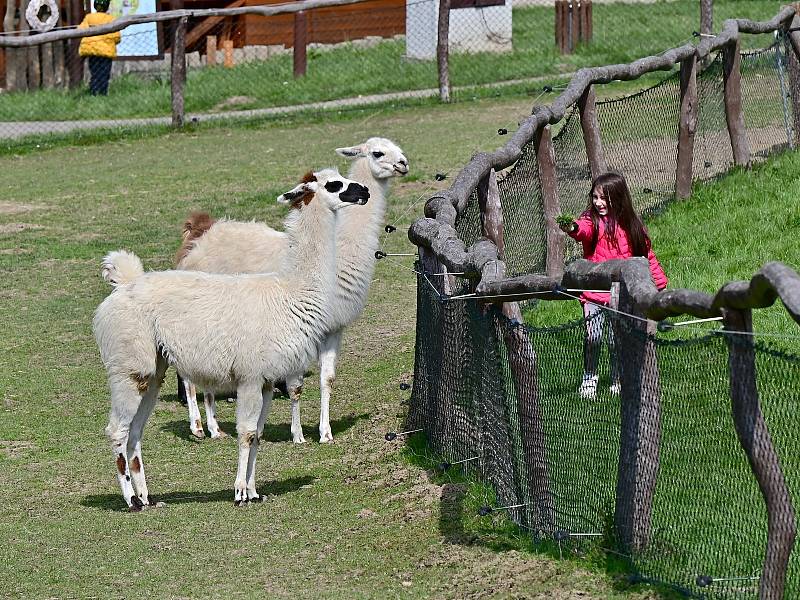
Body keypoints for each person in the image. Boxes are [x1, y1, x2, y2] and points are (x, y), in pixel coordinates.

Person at [559, 171, 668, 399]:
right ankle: (590, 377)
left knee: (616, 338)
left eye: (603, 198)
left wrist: (660, 286)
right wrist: (572, 228)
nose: (598, 203)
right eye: (595, 197)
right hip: (593, 292)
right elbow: (583, 229)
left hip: (620, 294)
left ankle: (618, 377)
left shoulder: (632, 226)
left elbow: (646, 258)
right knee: (593, 336)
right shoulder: (592, 220)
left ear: (618, 198)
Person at [78, 0, 121, 96]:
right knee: (104, 74)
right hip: (106, 53)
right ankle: (103, 93)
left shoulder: (89, 17)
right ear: (107, 7)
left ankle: (93, 93)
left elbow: (80, 30)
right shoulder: (111, 19)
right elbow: (116, 37)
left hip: (92, 51)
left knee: (94, 73)